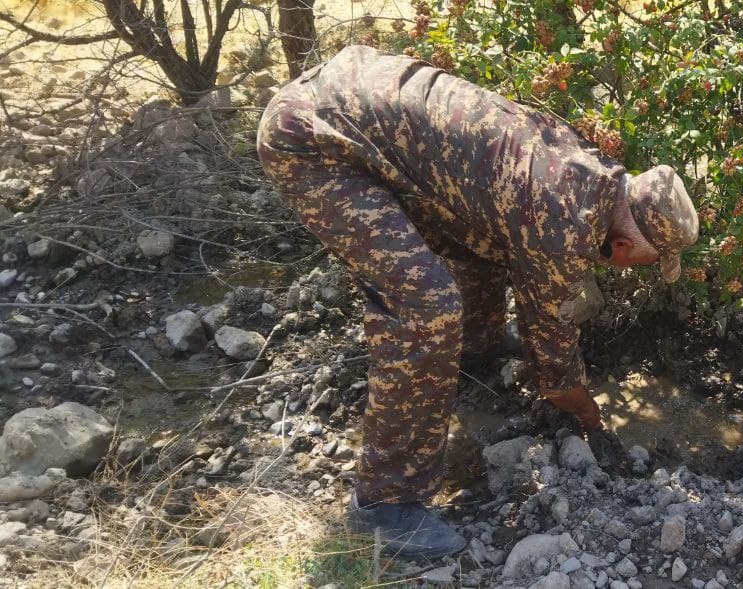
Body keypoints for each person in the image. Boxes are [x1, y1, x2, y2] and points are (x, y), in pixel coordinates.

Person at [256, 45, 698, 558]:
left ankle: (476, 348)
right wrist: (590, 419)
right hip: (313, 140)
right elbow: (551, 360)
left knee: (481, 242)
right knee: (428, 307)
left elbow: (492, 229)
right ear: (623, 245)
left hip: (354, 92)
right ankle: (385, 504)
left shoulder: (594, 174)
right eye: (649, 260)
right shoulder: (562, 225)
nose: (639, 268)